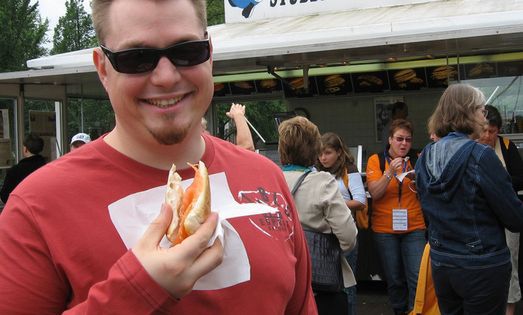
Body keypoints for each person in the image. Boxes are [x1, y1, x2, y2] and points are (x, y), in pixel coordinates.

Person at [0, 0, 316, 313]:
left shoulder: (265, 177)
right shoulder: (37, 207)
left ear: (209, 54)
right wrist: (137, 290)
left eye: (187, 51)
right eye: (136, 58)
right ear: (103, 69)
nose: (166, 77)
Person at [415, 83, 523, 315]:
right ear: (467, 112)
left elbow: (427, 212)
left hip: (443, 263)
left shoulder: (425, 157)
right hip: (482, 266)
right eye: (480, 110)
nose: (484, 117)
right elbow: (515, 218)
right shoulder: (482, 156)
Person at [279, 116, 357, 315]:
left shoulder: (271, 177)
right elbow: (348, 237)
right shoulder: (323, 181)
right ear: (314, 149)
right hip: (320, 284)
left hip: (282, 280)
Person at [366, 119, 426, 315]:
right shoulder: (376, 160)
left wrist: (419, 180)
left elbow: (432, 190)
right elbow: (374, 193)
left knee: (417, 277)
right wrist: (390, 172)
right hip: (385, 230)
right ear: (390, 140)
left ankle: (414, 312)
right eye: (399, 139)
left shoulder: (418, 158)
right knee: (394, 279)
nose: (404, 144)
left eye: (408, 140)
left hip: (415, 226)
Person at [478, 104, 523, 315]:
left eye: (492, 131)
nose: (487, 136)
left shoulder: (506, 146)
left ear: (499, 131)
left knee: (510, 265)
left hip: (507, 217)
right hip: (481, 219)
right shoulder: (471, 147)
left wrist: (497, 182)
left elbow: (520, 179)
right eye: (484, 130)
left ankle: (509, 309)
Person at [316, 132, 367, 315]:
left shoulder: (349, 170)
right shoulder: (316, 171)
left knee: (347, 285)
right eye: (320, 153)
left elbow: (361, 201)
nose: (323, 158)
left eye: (328, 153)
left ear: (339, 152)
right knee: (326, 286)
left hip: (344, 233)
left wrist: (332, 205)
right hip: (323, 236)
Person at [0, 133, 46, 204]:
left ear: (25, 149)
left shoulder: (15, 171)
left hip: (22, 211)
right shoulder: (47, 168)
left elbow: (4, 197)